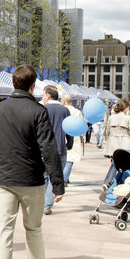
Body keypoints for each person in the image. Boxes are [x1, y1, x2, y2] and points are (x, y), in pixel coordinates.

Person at [0, 65, 63, 259]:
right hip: (30, 178)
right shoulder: (38, 111)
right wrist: (58, 185)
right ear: (32, 85)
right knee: (33, 227)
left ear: (14, 83)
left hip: (5, 178)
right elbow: (48, 148)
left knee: (4, 232)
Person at [42, 86, 72, 215]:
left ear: (48, 96)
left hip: (43, 148)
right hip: (59, 147)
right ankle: (46, 206)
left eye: (43, 95)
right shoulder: (64, 110)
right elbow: (70, 128)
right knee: (54, 176)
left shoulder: (42, 109)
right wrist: (69, 143)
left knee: (43, 177)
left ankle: (41, 203)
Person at [61, 94, 83, 186]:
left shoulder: (61, 110)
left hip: (62, 135)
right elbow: (81, 124)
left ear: (64, 101)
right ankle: (65, 178)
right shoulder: (77, 112)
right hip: (74, 136)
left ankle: (64, 178)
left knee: (63, 158)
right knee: (70, 159)